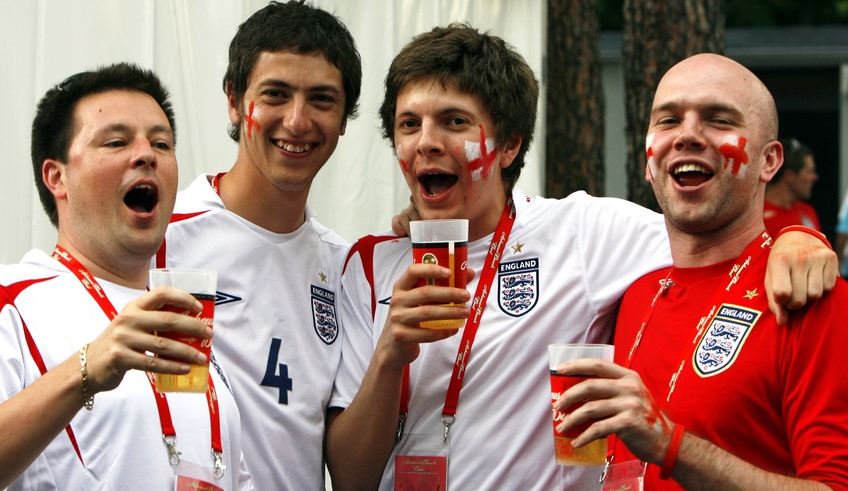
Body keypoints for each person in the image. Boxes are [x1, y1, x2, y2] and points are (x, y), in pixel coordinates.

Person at [325, 25, 837, 490]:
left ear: (508, 146)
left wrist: (796, 238)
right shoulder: (369, 265)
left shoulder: (584, 232)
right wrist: (390, 355)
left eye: (454, 121)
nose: (427, 142)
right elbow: (348, 479)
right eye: (408, 124)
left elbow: (709, 235)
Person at [555, 53, 848, 490]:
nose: (688, 135)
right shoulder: (631, 288)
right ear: (647, 162)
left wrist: (669, 444)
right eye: (669, 120)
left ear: (769, 161)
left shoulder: (812, 298)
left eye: (718, 119)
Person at [0, 63, 250, 490]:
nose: (147, 154)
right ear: (57, 176)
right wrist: (86, 369)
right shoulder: (2, 298)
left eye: (162, 142)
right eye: (117, 141)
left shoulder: (188, 322)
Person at [153, 1, 361, 488]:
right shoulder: (161, 236)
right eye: (276, 94)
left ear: (344, 118)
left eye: (322, 100)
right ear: (233, 100)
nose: (296, 121)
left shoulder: (343, 266)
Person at [763, 137, 821, 233]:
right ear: (789, 176)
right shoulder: (759, 219)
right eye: (809, 172)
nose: (814, 177)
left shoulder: (807, 211)